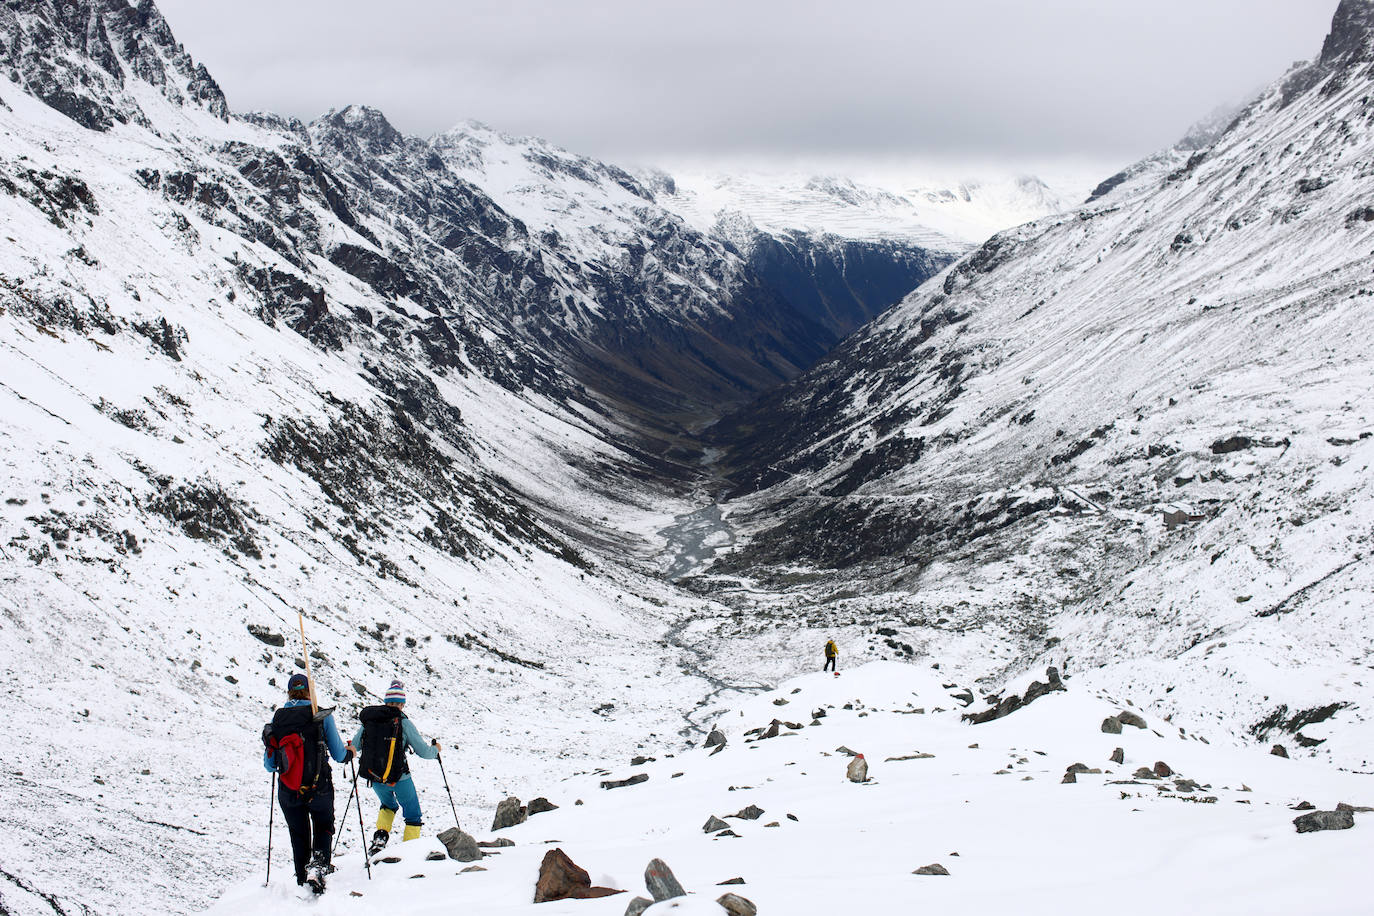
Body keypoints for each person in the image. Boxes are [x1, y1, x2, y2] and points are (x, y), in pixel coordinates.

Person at [262, 673, 351, 894]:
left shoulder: (278, 718)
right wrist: (350, 753)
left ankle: (302, 878)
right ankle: (318, 867)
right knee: (323, 825)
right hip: (319, 786)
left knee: (298, 833)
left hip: (289, 789)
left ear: (289, 692)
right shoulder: (319, 714)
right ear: (310, 691)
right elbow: (339, 755)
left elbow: (270, 764)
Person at [351, 679, 441, 855]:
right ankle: (409, 850)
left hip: (375, 777)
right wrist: (436, 750)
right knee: (413, 814)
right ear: (402, 704)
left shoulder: (370, 721)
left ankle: (380, 837)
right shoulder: (403, 722)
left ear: (386, 702)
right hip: (400, 778)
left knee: (388, 804)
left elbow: (355, 746)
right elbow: (423, 751)